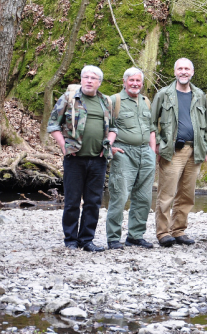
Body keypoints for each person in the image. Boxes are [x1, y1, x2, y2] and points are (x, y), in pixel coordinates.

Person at [47, 65, 115, 252]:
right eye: (86, 77)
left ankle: (87, 240)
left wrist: (108, 143)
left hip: (98, 160)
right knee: (72, 201)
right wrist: (63, 146)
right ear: (81, 79)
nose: (89, 80)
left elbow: (114, 128)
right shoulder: (69, 98)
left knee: (93, 202)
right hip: (75, 160)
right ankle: (70, 239)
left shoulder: (106, 102)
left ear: (99, 82)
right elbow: (53, 124)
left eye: (93, 78)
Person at [151, 58, 207, 247]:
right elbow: (151, 123)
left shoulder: (200, 95)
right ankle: (163, 232)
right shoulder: (163, 94)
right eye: (180, 68)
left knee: (187, 194)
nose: (183, 72)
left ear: (192, 72)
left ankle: (179, 230)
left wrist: (205, 146)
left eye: (187, 69)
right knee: (166, 193)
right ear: (175, 71)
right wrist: (158, 145)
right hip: (172, 151)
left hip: (195, 150)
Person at [104, 67, 156, 250]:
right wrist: (110, 147)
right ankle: (113, 238)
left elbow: (151, 128)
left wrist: (152, 151)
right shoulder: (114, 101)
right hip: (124, 152)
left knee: (143, 197)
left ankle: (135, 235)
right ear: (124, 82)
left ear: (142, 83)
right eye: (131, 80)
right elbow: (104, 126)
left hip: (146, 153)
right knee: (120, 195)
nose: (135, 84)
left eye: (138, 81)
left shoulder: (146, 101)